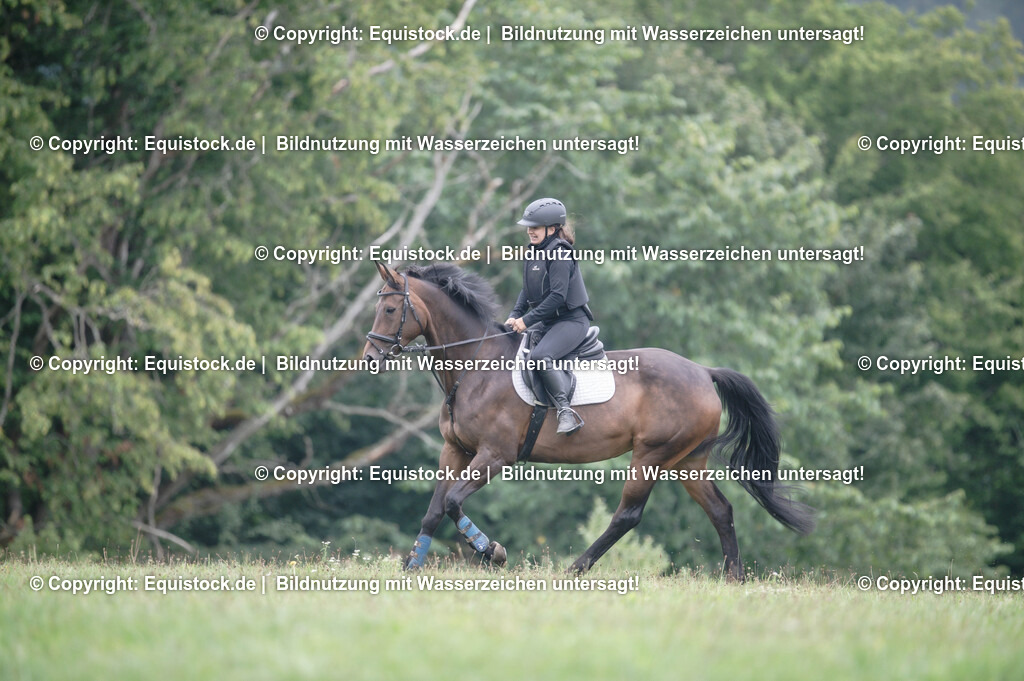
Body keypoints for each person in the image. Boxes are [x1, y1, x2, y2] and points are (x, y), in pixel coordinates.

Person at [505, 198, 593, 435]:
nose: (529, 231)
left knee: (540, 356)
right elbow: (527, 290)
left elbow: (557, 296)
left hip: (571, 321)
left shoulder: (561, 253)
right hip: (547, 321)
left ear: (552, 229)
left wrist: (526, 320)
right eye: (528, 226)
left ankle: (565, 412)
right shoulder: (534, 251)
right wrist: (514, 315)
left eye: (534, 226)